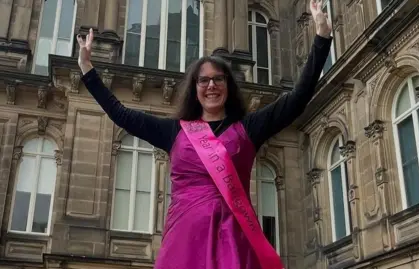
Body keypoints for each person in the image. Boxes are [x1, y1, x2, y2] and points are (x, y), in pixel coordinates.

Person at [76, 0, 332, 268]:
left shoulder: (248, 128)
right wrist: (87, 70)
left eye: (219, 79)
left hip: (234, 240)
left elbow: (297, 99)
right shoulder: (173, 131)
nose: (212, 85)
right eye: (204, 80)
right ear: (194, 88)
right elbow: (121, 114)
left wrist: (321, 38)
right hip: (185, 240)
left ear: (228, 86)